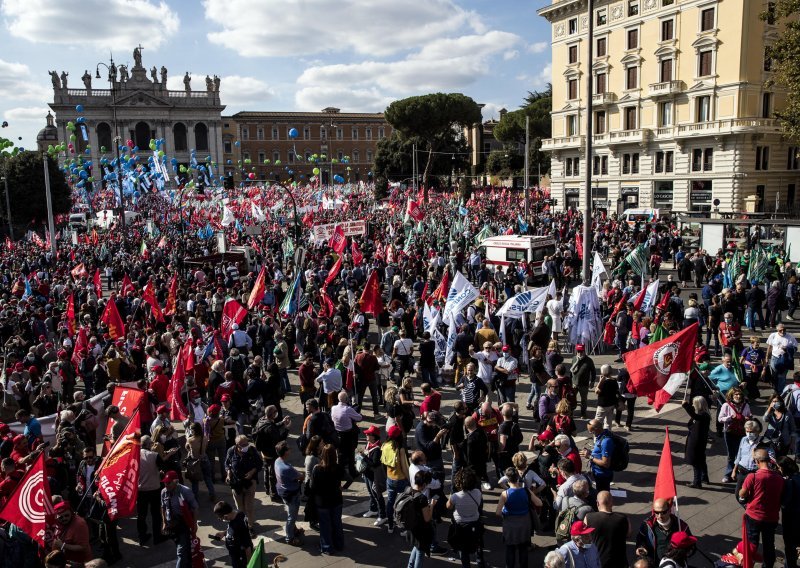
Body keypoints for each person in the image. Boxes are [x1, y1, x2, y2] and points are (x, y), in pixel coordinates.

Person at [739, 447, 785, 568]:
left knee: (751, 543)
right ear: (768, 460)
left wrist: (742, 492)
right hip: (771, 517)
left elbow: (742, 494)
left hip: (753, 516)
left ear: (757, 461)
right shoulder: (779, 478)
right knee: (769, 545)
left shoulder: (752, 477)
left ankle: (748, 564)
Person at [446, 467, 485, 568]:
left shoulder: (455, 496)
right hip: (475, 522)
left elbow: (448, 506)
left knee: (463, 549)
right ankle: (480, 561)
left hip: (460, 525)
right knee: (478, 543)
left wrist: (451, 495)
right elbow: (480, 504)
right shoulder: (478, 492)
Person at [635, 498, 692, 566]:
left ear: (669, 510)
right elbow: (640, 539)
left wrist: (683, 552)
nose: (660, 516)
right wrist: (641, 547)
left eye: (663, 512)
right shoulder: (646, 525)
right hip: (654, 564)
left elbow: (691, 547)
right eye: (657, 512)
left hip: (674, 564)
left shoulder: (681, 526)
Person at [311, 443, 345, 555]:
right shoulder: (338, 468)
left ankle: (327, 548)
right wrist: (343, 487)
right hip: (336, 500)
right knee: (337, 523)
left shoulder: (317, 469)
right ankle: (339, 545)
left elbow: (313, 487)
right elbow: (350, 478)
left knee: (325, 526)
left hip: (322, 502)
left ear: (323, 454)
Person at [495, 467, 533, 568]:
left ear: (507, 479)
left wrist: (504, 514)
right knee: (523, 548)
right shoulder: (526, 491)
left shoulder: (505, 494)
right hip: (524, 523)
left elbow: (498, 512)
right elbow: (539, 503)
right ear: (518, 477)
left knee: (510, 549)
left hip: (510, 525)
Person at [160, 470, 198, 568]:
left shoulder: (185, 491)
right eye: (165, 482)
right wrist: (164, 522)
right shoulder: (164, 492)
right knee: (184, 549)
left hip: (183, 524)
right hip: (171, 525)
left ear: (176, 482)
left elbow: (195, 508)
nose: (166, 485)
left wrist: (194, 524)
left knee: (181, 552)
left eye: (168, 483)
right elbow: (163, 507)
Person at [224, 435, 263, 531]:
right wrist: (228, 474)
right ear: (237, 445)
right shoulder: (231, 451)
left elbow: (259, 464)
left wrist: (252, 472)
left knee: (249, 507)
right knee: (240, 508)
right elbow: (227, 464)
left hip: (250, 483)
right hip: (236, 484)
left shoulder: (252, 450)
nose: (246, 446)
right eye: (243, 445)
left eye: (247, 443)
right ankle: (243, 525)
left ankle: (250, 526)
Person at [584, 491, 630, 568]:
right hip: (619, 562)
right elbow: (628, 534)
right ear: (612, 503)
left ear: (597, 503)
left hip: (597, 562)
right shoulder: (623, 518)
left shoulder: (588, 518)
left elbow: (585, 538)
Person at [274, 441, 305, 546]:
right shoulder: (286, 468)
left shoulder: (277, 461)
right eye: (288, 448)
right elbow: (301, 477)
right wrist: (300, 474)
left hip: (283, 491)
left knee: (290, 513)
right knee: (292, 516)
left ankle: (293, 530)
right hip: (291, 494)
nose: (290, 449)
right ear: (285, 452)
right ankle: (290, 538)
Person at [719, 387, 752, 483]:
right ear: (731, 395)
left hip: (742, 433)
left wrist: (748, 418)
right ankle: (728, 474)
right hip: (729, 432)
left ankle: (738, 474)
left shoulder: (746, 405)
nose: (738, 396)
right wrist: (729, 418)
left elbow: (750, 416)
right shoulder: (726, 405)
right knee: (731, 454)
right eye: (736, 394)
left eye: (740, 394)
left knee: (740, 454)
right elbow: (720, 419)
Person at [381, 424, 410, 534]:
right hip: (401, 479)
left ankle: (390, 526)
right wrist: (409, 479)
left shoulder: (385, 445)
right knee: (404, 503)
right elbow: (404, 468)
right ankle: (404, 527)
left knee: (390, 502)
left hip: (390, 478)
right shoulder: (400, 449)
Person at [406, 469, 437, 568]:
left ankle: (409, 566)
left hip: (411, 527)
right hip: (420, 531)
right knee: (420, 552)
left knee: (416, 548)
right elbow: (427, 518)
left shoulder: (408, 490)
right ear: (423, 484)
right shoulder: (422, 498)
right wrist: (431, 505)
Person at [212, 500, 253, 568]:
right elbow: (233, 530)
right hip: (235, 555)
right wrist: (224, 533)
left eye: (220, 518)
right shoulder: (236, 515)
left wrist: (250, 564)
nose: (219, 519)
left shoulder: (240, 525)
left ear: (225, 516)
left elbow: (247, 546)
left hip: (241, 558)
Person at [360, 425, 388, 525]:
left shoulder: (377, 449)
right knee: (370, 493)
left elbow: (374, 464)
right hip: (367, 474)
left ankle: (382, 516)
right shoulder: (369, 444)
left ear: (374, 436)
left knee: (377, 495)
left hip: (374, 476)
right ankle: (373, 509)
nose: (366, 435)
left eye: (368, 434)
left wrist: (364, 457)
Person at [682, 396, 711, 488]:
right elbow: (694, 416)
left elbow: (694, 416)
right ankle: (704, 477)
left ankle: (697, 482)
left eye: (694, 404)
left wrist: (685, 406)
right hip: (697, 441)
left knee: (696, 462)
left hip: (697, 442)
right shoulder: (702, 414)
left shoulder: (703, 416)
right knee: (701, 460)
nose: (693, 405)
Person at [776, 456, 800, 568]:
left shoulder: (789, 482)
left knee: (790, 545)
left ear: (783, 468)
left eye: (778, 467)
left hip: (792, 519)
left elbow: (785, 503)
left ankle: (789, 565)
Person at [185, 421, 216, 501]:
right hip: (204, 459)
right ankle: (212, 494)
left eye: (191, 429)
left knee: (195, 481)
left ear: (194, 430)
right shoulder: (205, 438)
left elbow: (187, 448)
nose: (190, 431)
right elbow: (205, 448)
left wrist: (187, 438)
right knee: (208, 478)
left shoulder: (190, 440)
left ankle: (195, 497)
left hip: (195, 462)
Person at [581, 419, 614, 492]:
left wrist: (590, 456)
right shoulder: (601, 436)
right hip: (598, 473)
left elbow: (606, 463)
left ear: (597, 429)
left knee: (602, 494)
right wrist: (591, 452)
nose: (591, 434)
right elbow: (600, 452)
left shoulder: (606, 441)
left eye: (592, 432)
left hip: (603, 475)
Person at [766, 323, 797, 394]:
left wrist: (787, 349)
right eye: (780, 330)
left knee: (782, 376)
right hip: (774, 358)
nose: (782, 331)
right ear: (777, 330)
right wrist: (767, 357)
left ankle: (779, 393)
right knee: (774, 375)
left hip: (785, 359)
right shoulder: (773, 335)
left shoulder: (790, 336)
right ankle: (775, 388)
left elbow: (795, 348)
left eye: (784, 330)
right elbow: (769, 347)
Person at [571, 344, 596, 418]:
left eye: (581, 351)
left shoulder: (589, 360)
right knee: (572, 399)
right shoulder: (574, 359)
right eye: (578, 351)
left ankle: (583, 413)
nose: (579, 353)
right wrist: (570, 381)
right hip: (574, 384)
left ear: (584, 351)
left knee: (584, 400)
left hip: (584, 384)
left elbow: (593, 371)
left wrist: (592, 381)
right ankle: (571, 412)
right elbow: (571, 372)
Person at [594, 365, 619, 431]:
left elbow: (596, 391)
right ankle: (607, 434)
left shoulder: (604, 383)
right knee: (608, 422)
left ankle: (597, 436)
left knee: (598, 422)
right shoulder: (614, 380)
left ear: (602, 372)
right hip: (611, 404)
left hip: (603, 405)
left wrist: (600, 381)